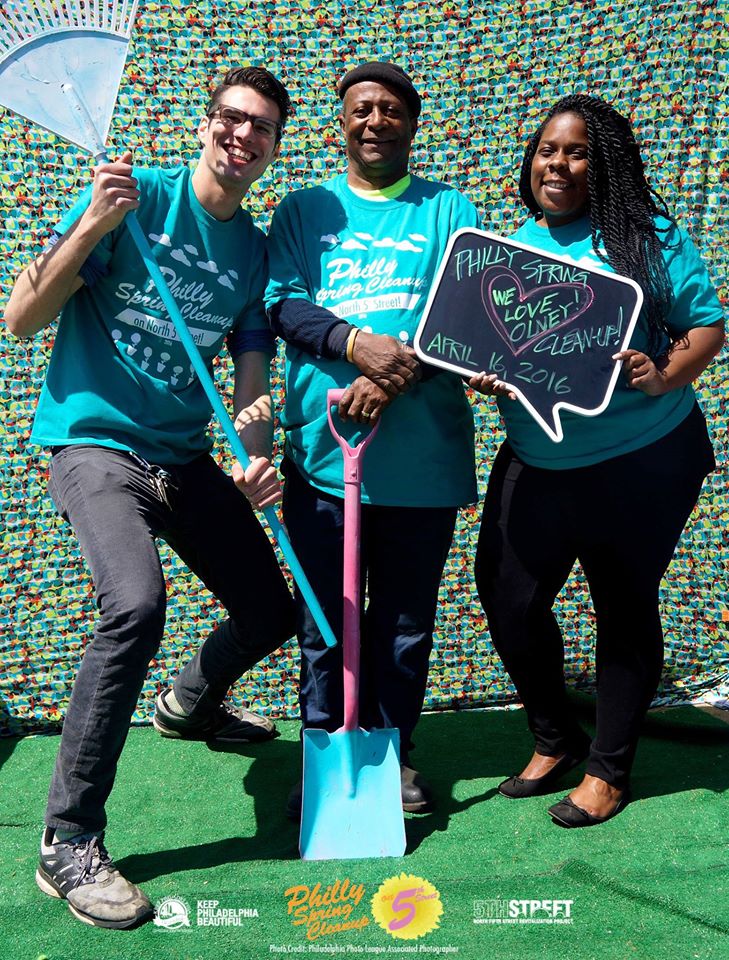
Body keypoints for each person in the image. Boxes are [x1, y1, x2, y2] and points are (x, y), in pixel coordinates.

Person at [3, 66, 296, 927]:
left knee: (270, 610)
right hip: (95, 445)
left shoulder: (253, 250)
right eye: (231, 120)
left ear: (273, 149)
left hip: (181, 453)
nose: (243, 137)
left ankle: (188, 702)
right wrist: (95, 219)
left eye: (262, 129)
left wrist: (256, 453)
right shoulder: (136, 199)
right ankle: (67, 840)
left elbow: (249, 377)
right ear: (206, 127)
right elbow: (21, 317)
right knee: (134, 603)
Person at [470, 94, 724, 827]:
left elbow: (704, 323)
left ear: (603, 163)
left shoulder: (647, 240)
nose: (557, 163)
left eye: (575, 151)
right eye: (546, 149)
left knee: (621, 605)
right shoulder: (507, 252)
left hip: (641, 460)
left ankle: (609, 770)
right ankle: (554, 737)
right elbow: (490, 348)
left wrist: (664, 372)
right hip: (536, 459)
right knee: (509, 601)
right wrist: (483, 371)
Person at [265, 61, 480, 817]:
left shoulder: (449, 210)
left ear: (412, 124)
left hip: (420, 463)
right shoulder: (304, 209)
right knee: (326, 620)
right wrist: (357, 344)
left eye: (391, 109)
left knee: (400, 626)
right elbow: (282, 305)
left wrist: (390, 377)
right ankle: (326, 750)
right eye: (361, 109)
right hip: (323, 462)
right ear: (342, 122)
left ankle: (391, 753)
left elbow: (464, 320)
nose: (375, 121)